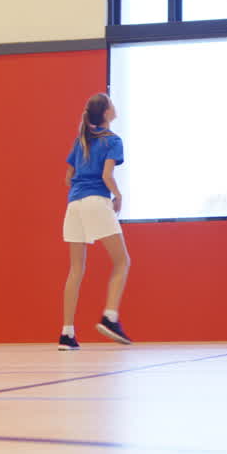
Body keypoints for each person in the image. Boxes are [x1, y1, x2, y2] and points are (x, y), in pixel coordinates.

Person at [59, 93, 133, 350]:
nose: (115, 105)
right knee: (122, 261)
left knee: (75, 270)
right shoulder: (113, 140)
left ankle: (66, 334)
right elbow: (106, 174)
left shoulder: (81, 141)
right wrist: (119, 195)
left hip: (74, 205)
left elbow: (68, 177)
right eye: (112, 103)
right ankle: (110, 316)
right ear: (106, 113)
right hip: (96, 201)